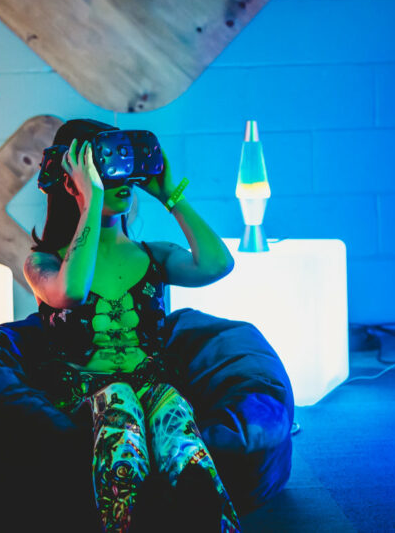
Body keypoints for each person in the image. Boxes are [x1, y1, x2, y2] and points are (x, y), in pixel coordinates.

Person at [24, 119, 243, 533]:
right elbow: (69, 292)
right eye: (105, 165)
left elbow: (218, 263)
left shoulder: (152, 255)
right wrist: (91, 203)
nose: (122, 177)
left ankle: (204, 516)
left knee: (176, 414)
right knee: (120, 400)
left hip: (153, 386)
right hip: (86, 392)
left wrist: (170, 196)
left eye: (126, 161)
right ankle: (131, 520)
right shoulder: (44, 263)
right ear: (74, 179)